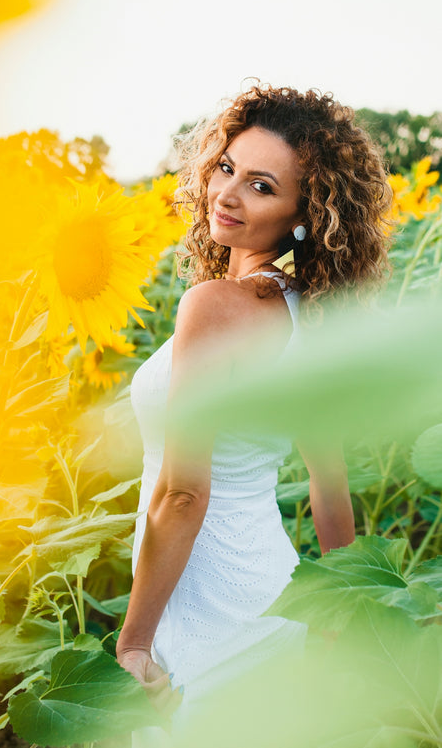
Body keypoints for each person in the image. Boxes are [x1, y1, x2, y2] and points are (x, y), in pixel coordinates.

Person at [116, 85, 391, 731]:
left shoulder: (213, 306)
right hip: (273, 602)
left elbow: (182, 493)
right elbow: (330, 493)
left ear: (304, 215)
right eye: (226, 168)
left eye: (261, 186)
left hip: (198, 618)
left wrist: (132, 641)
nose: (227, 193)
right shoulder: (305, 315)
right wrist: (334, 621)